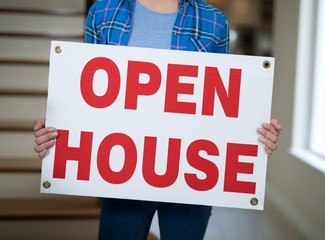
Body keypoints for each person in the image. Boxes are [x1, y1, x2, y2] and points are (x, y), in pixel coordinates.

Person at [34, 0, 282, 239]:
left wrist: (253, 137)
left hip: (190, 174)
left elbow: (218, 108)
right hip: (121, 169)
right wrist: (62, 127)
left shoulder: (214, 21)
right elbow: (90, 95)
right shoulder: (103, 12)